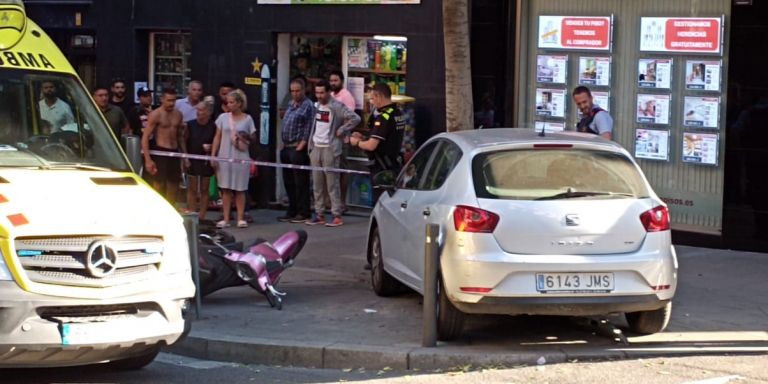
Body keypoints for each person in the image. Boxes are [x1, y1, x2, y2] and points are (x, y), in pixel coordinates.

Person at [305, 80, 361, 227]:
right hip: (316, 147)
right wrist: (311, 146)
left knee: (332, 183)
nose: (319, 96)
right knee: (317, 184)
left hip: (330, 148)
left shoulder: (337, 106)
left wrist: (342, 129)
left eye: (322, 93)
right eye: (317, 93)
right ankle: (319, 214)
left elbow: (355, 118)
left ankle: (337, 215)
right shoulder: (315, 106)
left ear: (328, 92)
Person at [211, 90, 256, 228]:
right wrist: (213, 155)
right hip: (224, 155)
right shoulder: (223, 118)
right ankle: (225, 218)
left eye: (232, 102)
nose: (229, 105)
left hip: (241, 156)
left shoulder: (248, 119)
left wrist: (244, 136)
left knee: (240, 188)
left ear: (239, 103)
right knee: (225, 189)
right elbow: (217, 136)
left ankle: (240, 218)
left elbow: (253, 137)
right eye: (228, 102)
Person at [349, 83, 406, 177]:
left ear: (380, 97)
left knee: (381, 191)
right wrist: (364, 137)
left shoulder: (384, 117)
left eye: (372, 98)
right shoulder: (397, 112)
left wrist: (356, 142)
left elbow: (371, 146)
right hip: (394, 163)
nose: (371, 102)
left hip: (383, 168)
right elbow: (387, 138)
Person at [277, 78, 314, 223]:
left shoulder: (308, 106)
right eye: (292, 91)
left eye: (298, 91)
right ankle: (292, 209)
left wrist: (301, 146)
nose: (295, 94)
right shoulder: (291, 104)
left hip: (298, 147)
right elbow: (286, 122)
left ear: (304, 90)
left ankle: (303, 211)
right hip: (287, 146)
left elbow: (308, 127)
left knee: (301, 182)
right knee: (289, 181)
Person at [143, 87, 184, 203]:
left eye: (174, 100)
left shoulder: (178, 115)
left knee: (174, 184)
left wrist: (184, 156)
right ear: (162, 99)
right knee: (158, 184)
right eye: (169, 100)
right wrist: (148, 159)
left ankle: (171, 208)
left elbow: (180, 136)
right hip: (160, 151)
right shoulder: (156, 114)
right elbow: (145, 136)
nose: (172, 103)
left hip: (174, 152)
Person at [184, 96, 217, 221]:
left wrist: (212, 147)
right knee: (192, 187)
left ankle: (202, 216)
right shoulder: (190, 125)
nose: (199, 112)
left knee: (204, 189)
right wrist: (185, 157)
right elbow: (184, 140)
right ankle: (192, 213)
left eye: (202, 110)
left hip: (205, 160)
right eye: (197, 110)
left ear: (208, 112)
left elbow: (217, 142)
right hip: (192, 158)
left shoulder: (213, 126)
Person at [329, 70, 357, 213]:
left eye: (336, 80)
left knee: (342, 171)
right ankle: (332, 202)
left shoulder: (346, 97)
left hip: (342, 140)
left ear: (342, 81)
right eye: (331, 81)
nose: (333, 83)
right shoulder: (331, 96)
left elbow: (350, 118)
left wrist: (340, 130)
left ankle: (342, 202)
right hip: (329, 141)